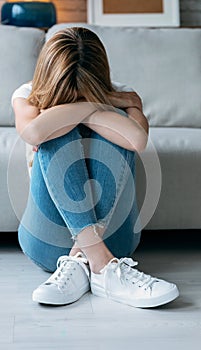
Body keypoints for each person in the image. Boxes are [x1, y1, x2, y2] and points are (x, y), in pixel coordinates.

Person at [12, 27, 179, 308]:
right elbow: (33, 133)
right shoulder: (27, 94)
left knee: (117, 129)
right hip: (48, 241)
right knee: (54, 132)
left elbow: (137, 140)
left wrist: (99, 108)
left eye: (83, 92)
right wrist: (90, 106)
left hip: (116, 237)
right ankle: (102, 265)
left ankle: (83, 259)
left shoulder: (124, 94)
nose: (77, 97)